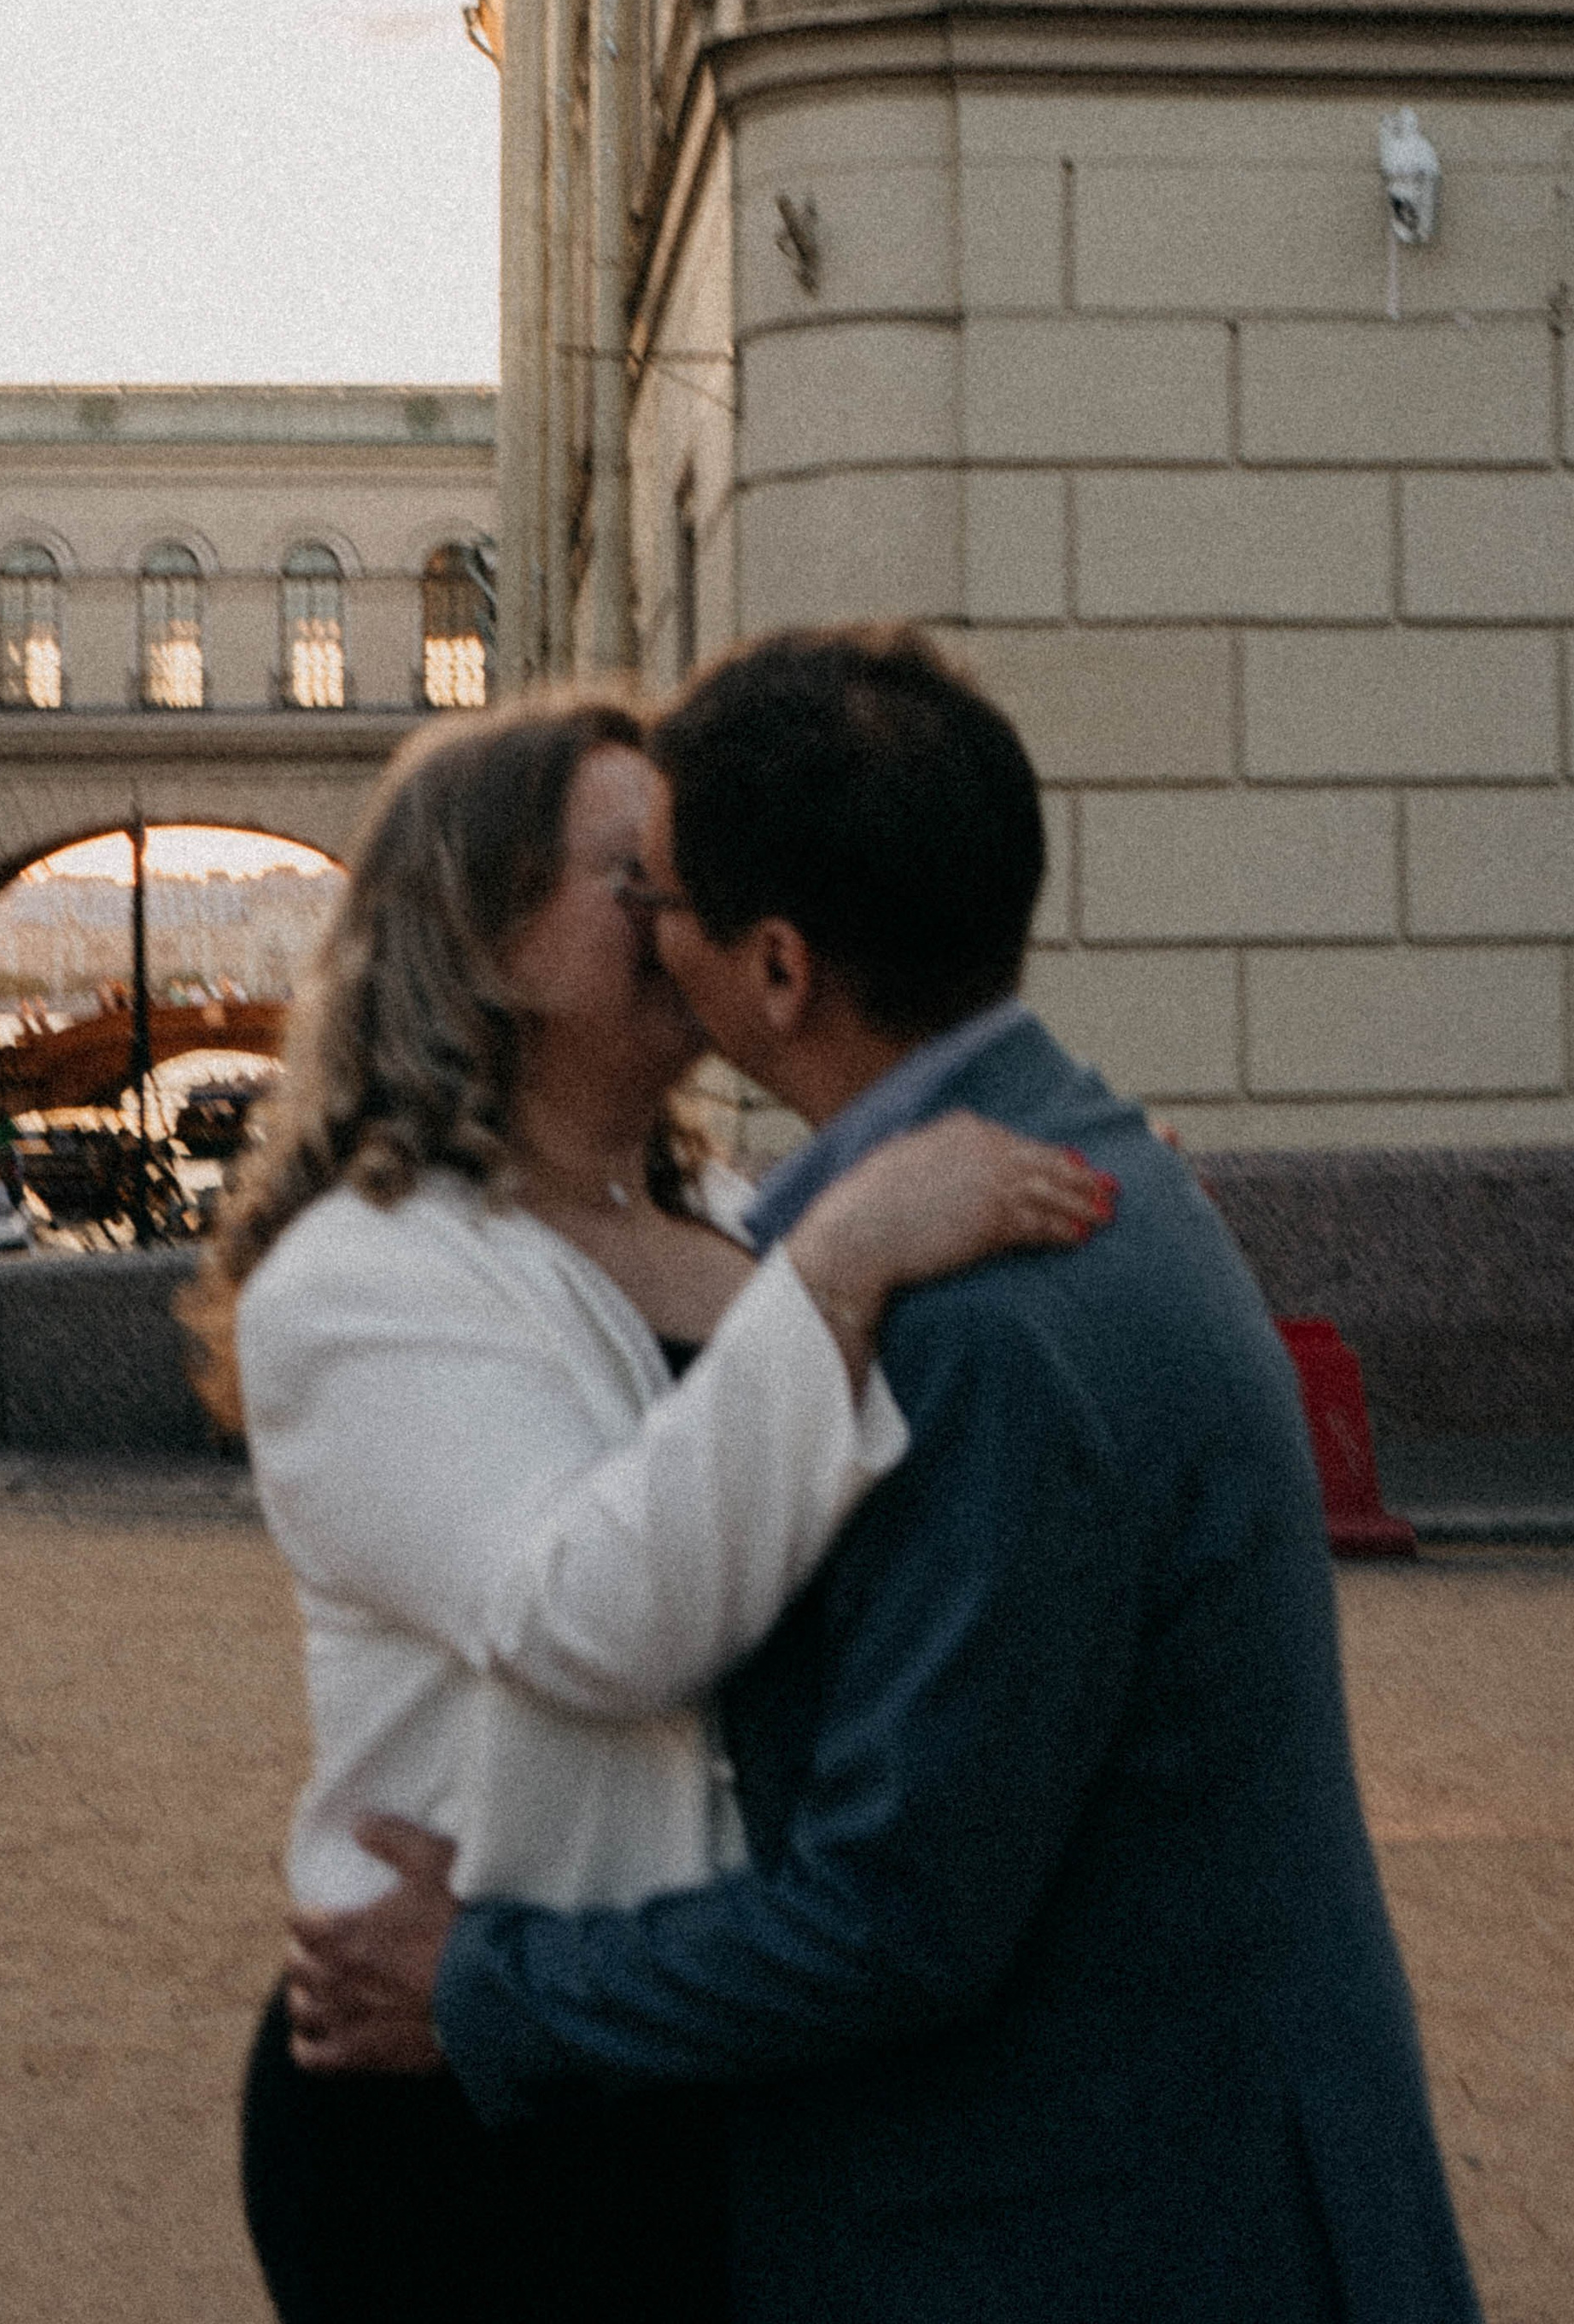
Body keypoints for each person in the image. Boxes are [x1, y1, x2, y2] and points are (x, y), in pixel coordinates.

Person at [289, 627, 1485, 2324]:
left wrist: (488, 1984)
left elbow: (893, 1916)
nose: (651, 930)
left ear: (775, 971)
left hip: (1088, 2232)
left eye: (668, 894)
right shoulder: (1031, 1188)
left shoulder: (980, 1310)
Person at [182, 690, 1106, 2324]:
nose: (685, 907)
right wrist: (843, 1264)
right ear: (479, 932)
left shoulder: (743, 1215)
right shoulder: (364, 1275)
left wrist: (1067, 1234)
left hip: (681, 2053)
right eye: (634, 872)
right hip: (453, 2112)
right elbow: (595, 1624)